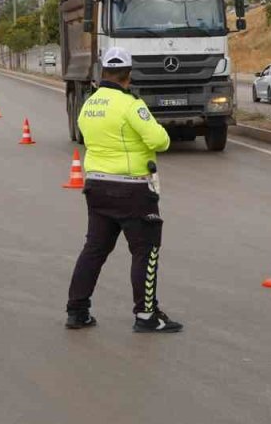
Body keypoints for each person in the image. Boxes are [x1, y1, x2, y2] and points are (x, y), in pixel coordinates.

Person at [66, 47, 182, 333]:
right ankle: (146, 315)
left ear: (102, 72)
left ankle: (77, 311)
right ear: (128, 75)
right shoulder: (132, 105)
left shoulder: (89, 105)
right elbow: (160, 140)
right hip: (132, 190)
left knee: (94, 249)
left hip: (96, 187)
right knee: (146, 250)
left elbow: (84, 136)